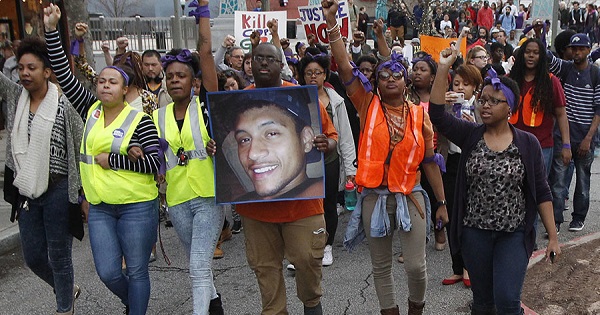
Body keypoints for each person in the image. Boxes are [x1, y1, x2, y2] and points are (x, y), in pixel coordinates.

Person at [323, 1, 449, 314]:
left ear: (406, 82)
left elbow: (430, 162)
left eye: (397, 74)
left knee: (416, 267)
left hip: (412, 198)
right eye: (384, 75)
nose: (390, 78)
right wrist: (332, 25)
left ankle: (415, 310)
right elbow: (343, 67)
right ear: (376, 83)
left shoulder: (421, 116)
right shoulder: (367, 105)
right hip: (374, 198)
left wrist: (443, 203)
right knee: (381, 267)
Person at [429, 36, 561, 315]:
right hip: (474, 234)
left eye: (494, 101)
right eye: (483, 100)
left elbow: (542, 190)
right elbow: (438, 115)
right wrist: (443, 68)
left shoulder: (527, 143)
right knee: (483, 303)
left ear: (510, 109)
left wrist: (552, 237)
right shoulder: (470, 134)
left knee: (508, 300)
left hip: (512, 235)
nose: (485, 105)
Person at [44, 5, 161, 314]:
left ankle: (136, 308)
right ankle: (134, 303)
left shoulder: (140, 120)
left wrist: (117, 161)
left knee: (136, 271)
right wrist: (52, 30)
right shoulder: (91, 111)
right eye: (102, 81)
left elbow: (154, 164)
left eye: (113, 82)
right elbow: (65, 76)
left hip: (137, 207)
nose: (105, 85)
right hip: (100, 209)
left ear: (125, 90)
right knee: (108, 272)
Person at [233, 41, 338, 315]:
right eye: (258, 58)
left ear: (282, 65)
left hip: (303, 207)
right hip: (256, 213)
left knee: (307, 262)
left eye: (270, 59)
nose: (264, 63)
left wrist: (328, 144)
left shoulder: (304, 97)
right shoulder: (236, 101)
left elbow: (332, 136)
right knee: (266, 274)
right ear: (250, 63)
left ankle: (312, 304)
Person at [0, 35, 83, 315]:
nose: (24, 73)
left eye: (31, 67)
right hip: (25, 190)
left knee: (60, 256)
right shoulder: (15, 98)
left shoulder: (64, 103)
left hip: (59, 188)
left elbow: (81, 143)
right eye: (21, 68)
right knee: (34, 257)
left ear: (47, 71)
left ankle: (64, 309)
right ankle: (67, 290)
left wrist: (82, 192)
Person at [299, 49, 357, 266]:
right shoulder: (295, 97)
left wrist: (352, 170)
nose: (313, 76)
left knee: (328, 204)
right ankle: (303, 249)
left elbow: (345, 137)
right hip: (302, 163)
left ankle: (327, 246)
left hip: (330, 162)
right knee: (304, 206)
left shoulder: (336, 101)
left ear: (325, 75)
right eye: (308, 73)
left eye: (318, 72)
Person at [546, 33, 600, 233]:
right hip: (563, 137)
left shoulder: (595, 74)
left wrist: (588, 138)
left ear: (588, 51)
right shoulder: (566, 68)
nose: (576, 52)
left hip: (586, 139)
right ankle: (556, 220)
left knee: (583, 183)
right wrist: (538, 35)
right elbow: (548, 58)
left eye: (581, 49)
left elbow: (598, 110)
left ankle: (578, 218)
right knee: (559, 182)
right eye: (574, 49)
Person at [508, 38, 570, 178]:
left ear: (541, 56)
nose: (531, 56)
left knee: (538, 189)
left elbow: (561, 114)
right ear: (522, 54)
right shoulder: (510, 80)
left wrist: (566, 145)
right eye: (528, 52)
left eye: (535, 53)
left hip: (542, 146)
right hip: (511, 144)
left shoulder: (551, 81)